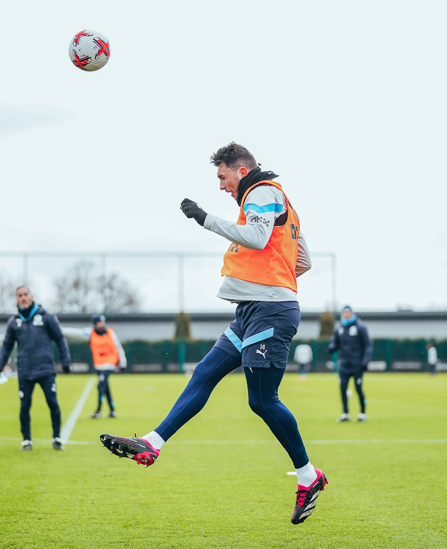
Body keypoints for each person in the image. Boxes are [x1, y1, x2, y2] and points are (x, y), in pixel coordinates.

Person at [98, 142, 326, 525]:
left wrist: (204, 218)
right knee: (204, 372)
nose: (221, 186)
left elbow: (255, 239)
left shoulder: (262, 192)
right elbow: (301, 260)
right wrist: (274, 283)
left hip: (269, 311)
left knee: (262, 400)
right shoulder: (277, 200)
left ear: (240, 170)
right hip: (255, 310)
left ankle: (309, 475)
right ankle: (152, 444)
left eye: (222, 177)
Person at [0, 286, 72, 451]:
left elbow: (60, 339)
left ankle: (57, 438)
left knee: (52, 403)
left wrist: (66, 361)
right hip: (25, 371)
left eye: (25, 295)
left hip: (45, 370)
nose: (23, 298)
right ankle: (26, 440)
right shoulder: (13, 321)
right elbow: (6, 346)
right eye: (19, 295)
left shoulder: (47, 317)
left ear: (32, 296)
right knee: (24, 406)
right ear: (16, 299)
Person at [73, 314, 127, 419]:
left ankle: (98, 411)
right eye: (99, 322)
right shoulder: (91, 333)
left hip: (110, 363)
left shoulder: (110, 332)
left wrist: (123, 362)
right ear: (95, 323)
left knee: (100, 385)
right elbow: (76, 333)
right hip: (99, 365)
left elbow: (118, 346)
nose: (102, 324)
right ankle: (112, 411)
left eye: (103, 322)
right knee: (105, 387)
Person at [327, 306, 372, 422]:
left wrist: (365, 361)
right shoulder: (339, 328)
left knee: (358, 389)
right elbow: (335, 343)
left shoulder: (360, 327)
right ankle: (345, 413)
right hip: (343, 365)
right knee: (343, 389)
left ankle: (362, 413)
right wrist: (332, 348)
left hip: (357, 365)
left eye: (348, 313)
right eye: (344, 313)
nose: (346, 315)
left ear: (352, 314)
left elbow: (368, 345)